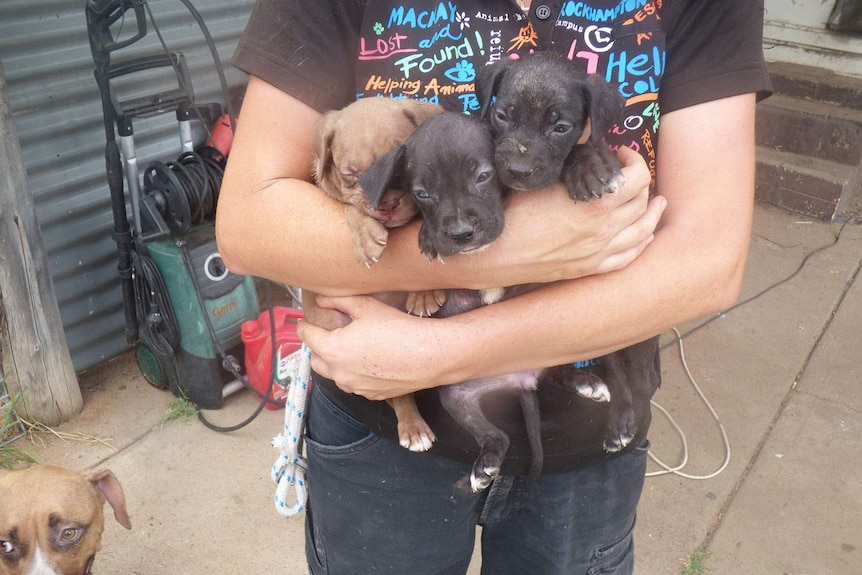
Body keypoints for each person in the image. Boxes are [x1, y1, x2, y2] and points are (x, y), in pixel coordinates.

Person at [216, 1, 772, 573]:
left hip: (587, 432)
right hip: (383, 432)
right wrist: (506, 252)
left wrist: (438, 353)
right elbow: (247, 226)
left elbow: (709, 263)